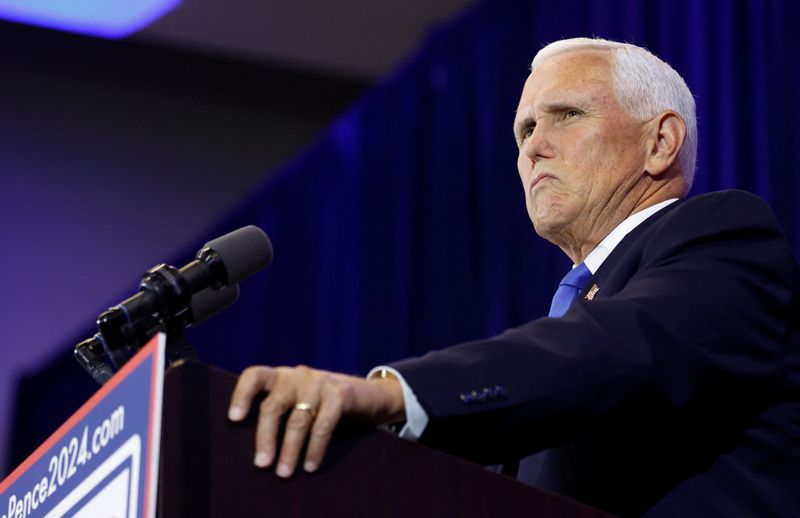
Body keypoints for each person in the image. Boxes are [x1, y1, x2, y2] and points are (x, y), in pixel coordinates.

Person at [228, 38, 800, 516]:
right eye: (524, 131)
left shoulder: (725, 236)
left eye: (567, 116)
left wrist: (392, 394)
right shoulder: (562, 332)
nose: (534, 149)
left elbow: (614, 350)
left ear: (660, 142)